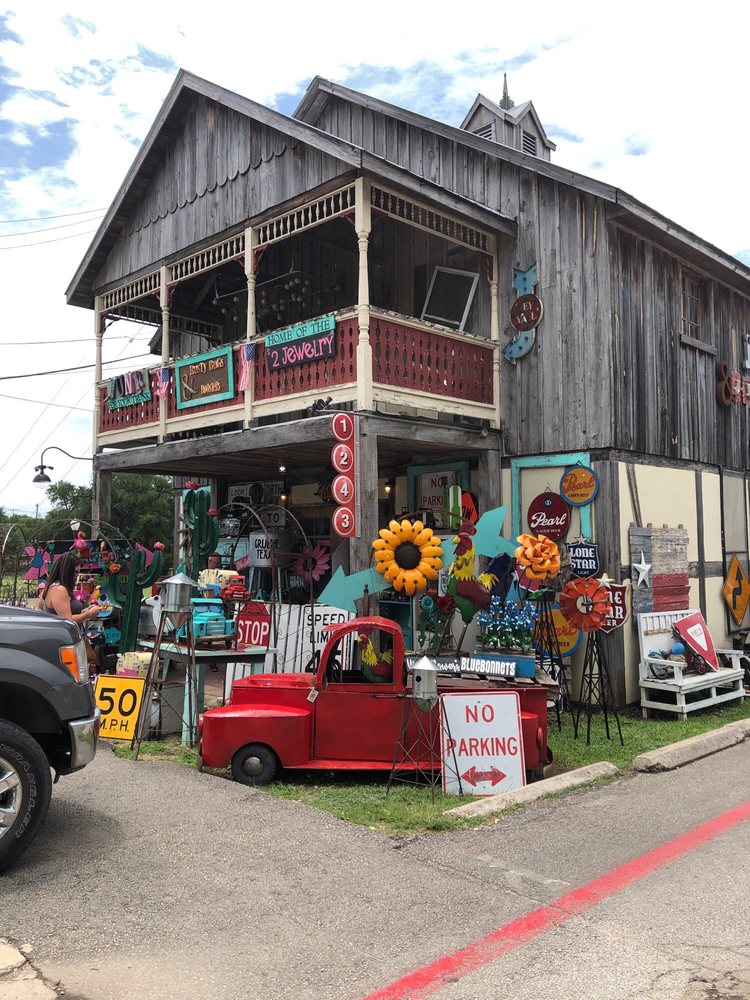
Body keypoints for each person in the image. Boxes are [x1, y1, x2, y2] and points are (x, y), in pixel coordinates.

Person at [41, 552, 101, 627]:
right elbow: (67, 620)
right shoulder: (59, 590)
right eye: (76, 572)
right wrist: (89, 614)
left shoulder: (59, 588)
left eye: (78, 572)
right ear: (67, 571)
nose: (77, 576)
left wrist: (83, 613)